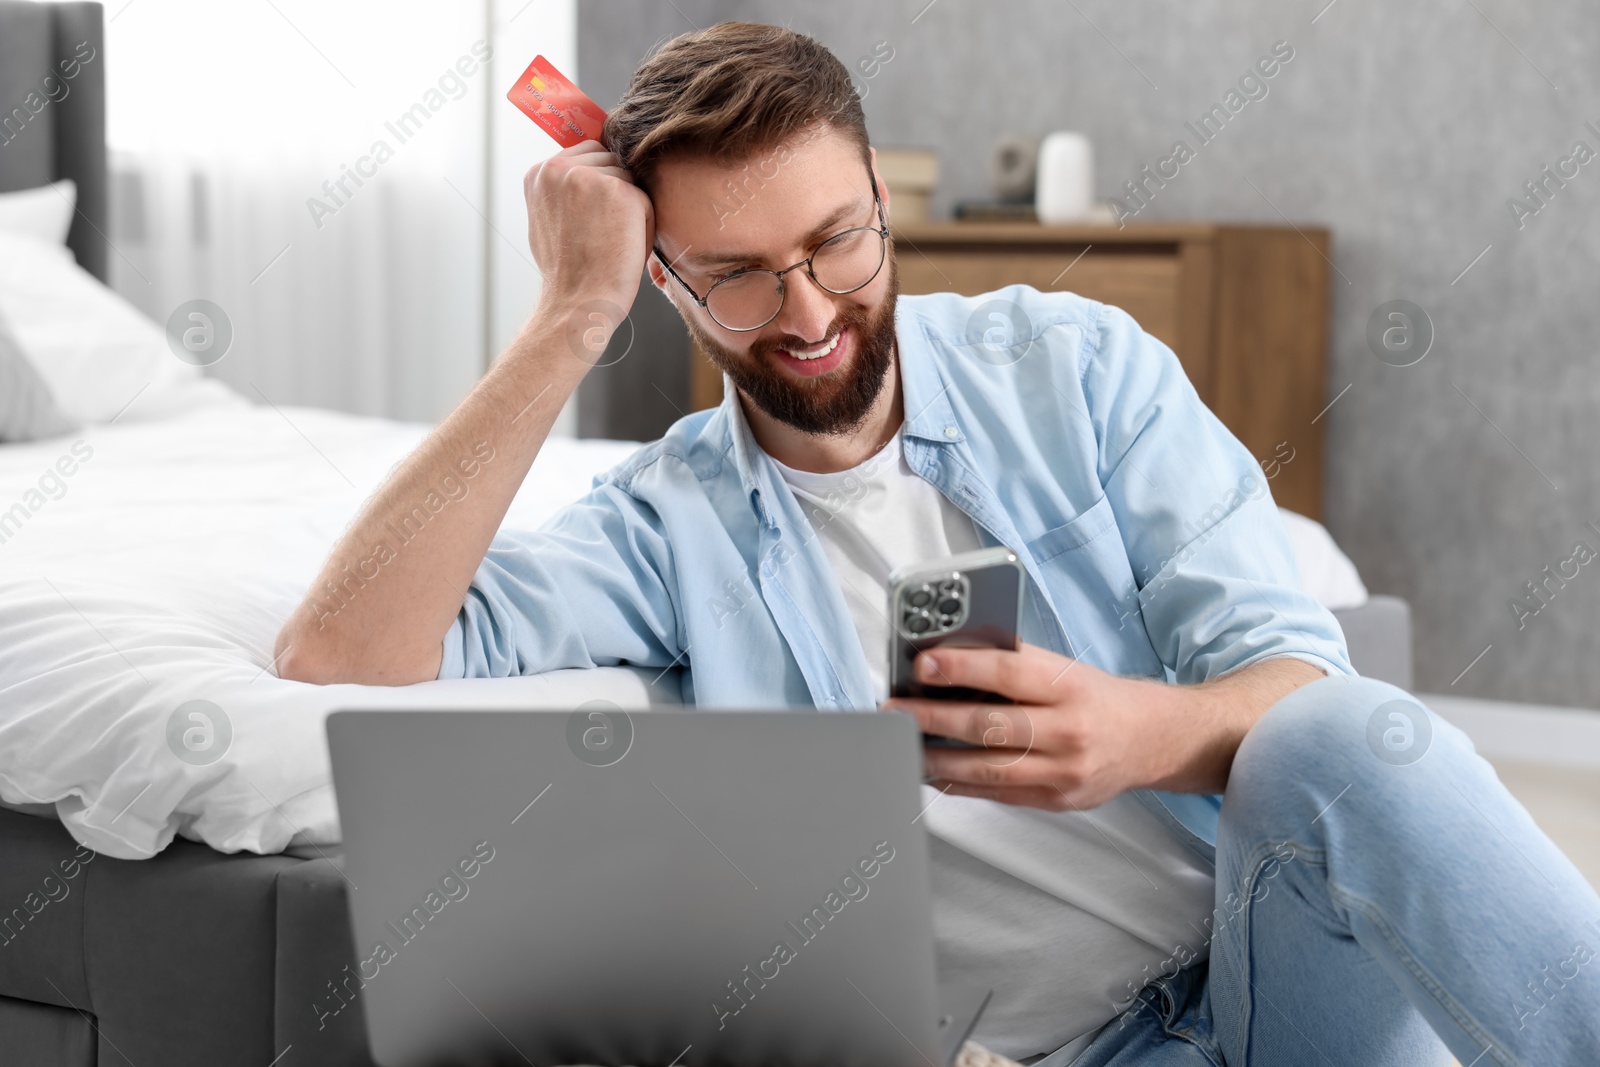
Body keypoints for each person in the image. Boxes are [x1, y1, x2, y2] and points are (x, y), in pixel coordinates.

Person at [275, 21, 1600, 1065]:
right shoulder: (662, 521)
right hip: (1031, 1056)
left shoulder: (1074, 367)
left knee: (1349, 736)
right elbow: (340, 650)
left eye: (837, 241)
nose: (807, 314)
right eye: (734, 273)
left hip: (1270, 985)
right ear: (666, 285)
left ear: (880, 200)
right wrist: (572, 313)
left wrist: (1134, 734)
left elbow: (1297, 676)